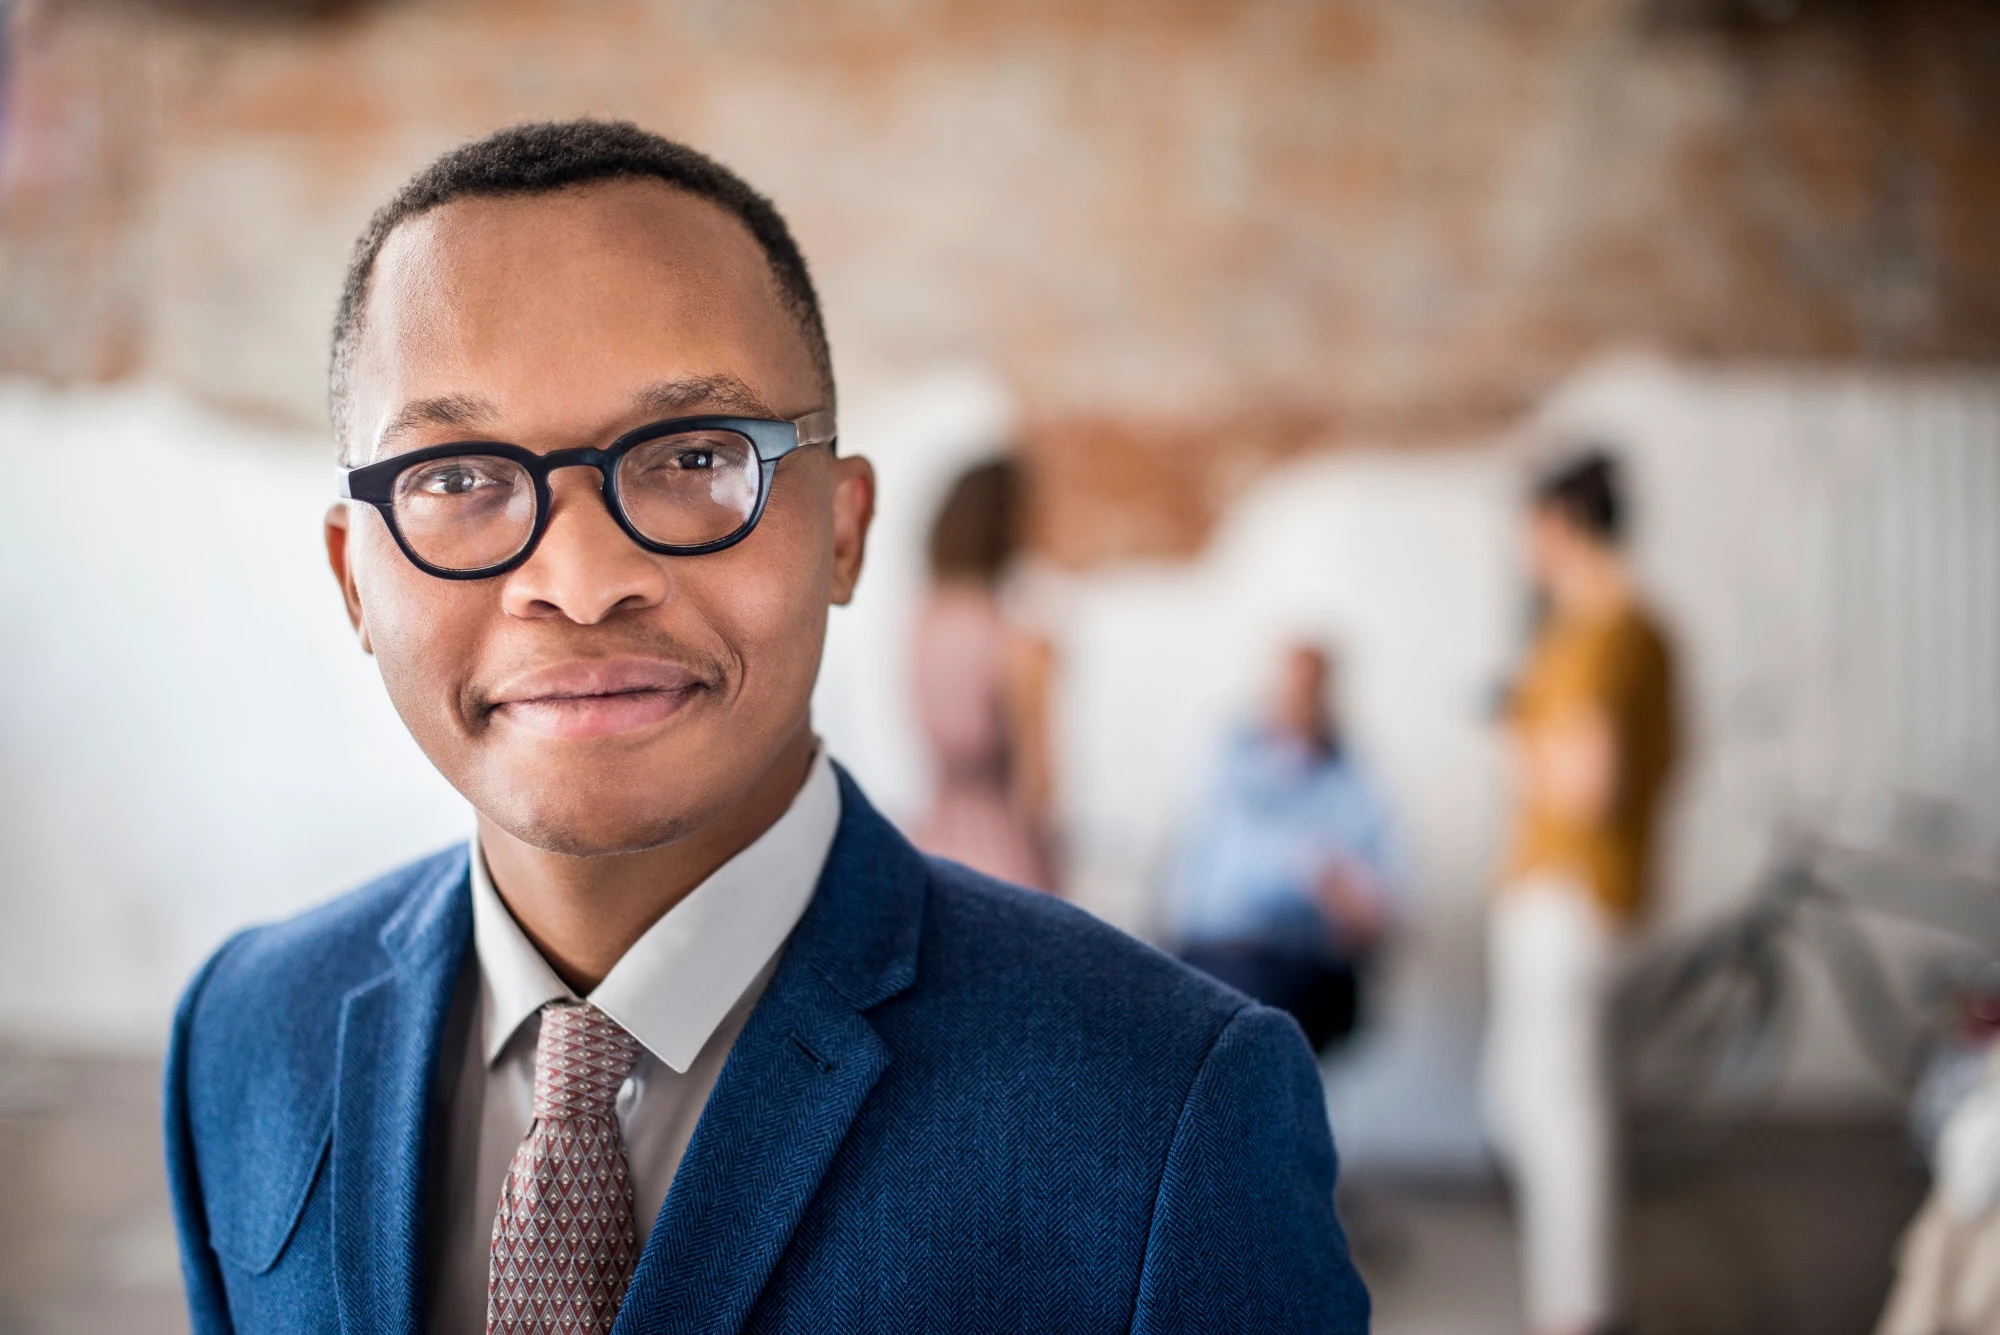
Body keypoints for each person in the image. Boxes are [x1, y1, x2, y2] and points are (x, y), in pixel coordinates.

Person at [159, 121, 1369, 1335]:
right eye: (459, 478)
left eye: (694, 454)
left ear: (842, 532)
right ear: (352, 581)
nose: (580, 582)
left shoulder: (1160, 1113)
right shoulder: (248, 1036)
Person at [1486, 450, 1677, 1335]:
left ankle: (1579, 1311)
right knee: (1543, 1106)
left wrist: (1514, 729)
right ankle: (1579, 1301)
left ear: (1562, 524)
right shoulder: (1643, 632)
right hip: (1596, 894)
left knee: (1560, 1118)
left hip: (1569, 897)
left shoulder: (1598, 634)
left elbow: (1584, 786)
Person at [1171, 642, 1403, 1054]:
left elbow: (1388, 906)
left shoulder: (1356, 782)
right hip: (1219, 953)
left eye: (1310, 691)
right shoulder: (1226, 763)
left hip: (1307, 965)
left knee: (1276, 1010)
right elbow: (1207, 888)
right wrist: (1302, 867)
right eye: (1289, 689)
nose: (1297, 703)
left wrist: (1354, 906)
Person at [909, 457, 1058, 892]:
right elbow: (1039, 789)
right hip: (1007, 861)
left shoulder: (925, 624)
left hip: (933, 849)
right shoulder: (1021, 642)